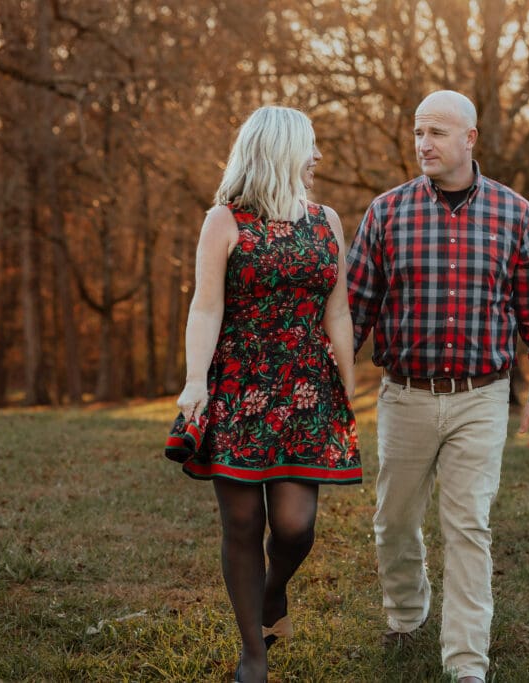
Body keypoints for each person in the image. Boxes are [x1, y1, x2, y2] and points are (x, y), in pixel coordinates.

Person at [346, 90, 529, 683]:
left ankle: (467, 663)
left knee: (468, 525)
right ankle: (406, 613)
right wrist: (329, 383)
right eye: (419, 131)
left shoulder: (514, 213)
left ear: (470, 139)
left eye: (438, 132)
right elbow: (353, 308)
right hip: (405, 394)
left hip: (481, 395)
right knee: (394, 519)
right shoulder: (387, 212)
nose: (424, 143)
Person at [175, 106, 361, 683]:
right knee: (241, 524)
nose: (318, 157)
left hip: (307, 389)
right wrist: (194, 380)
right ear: (281, 150)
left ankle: (274, 591)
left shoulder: (325, 220)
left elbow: (339, 313)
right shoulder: (224, 221)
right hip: (239, 387)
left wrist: (348, 392)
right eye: (310, 146)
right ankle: (252, 655)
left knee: (295, 526)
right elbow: (206, 306)